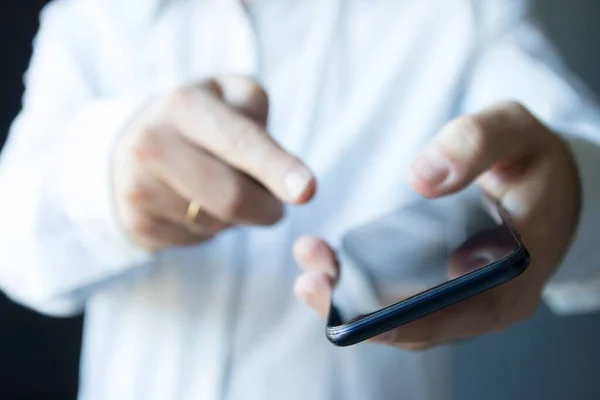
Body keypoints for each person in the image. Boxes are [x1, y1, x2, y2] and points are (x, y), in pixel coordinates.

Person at [0, 0, 599, 398]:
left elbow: (569, 158)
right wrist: (106, 179)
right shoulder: (93, 18)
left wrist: (568, 195)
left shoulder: (463, 15)